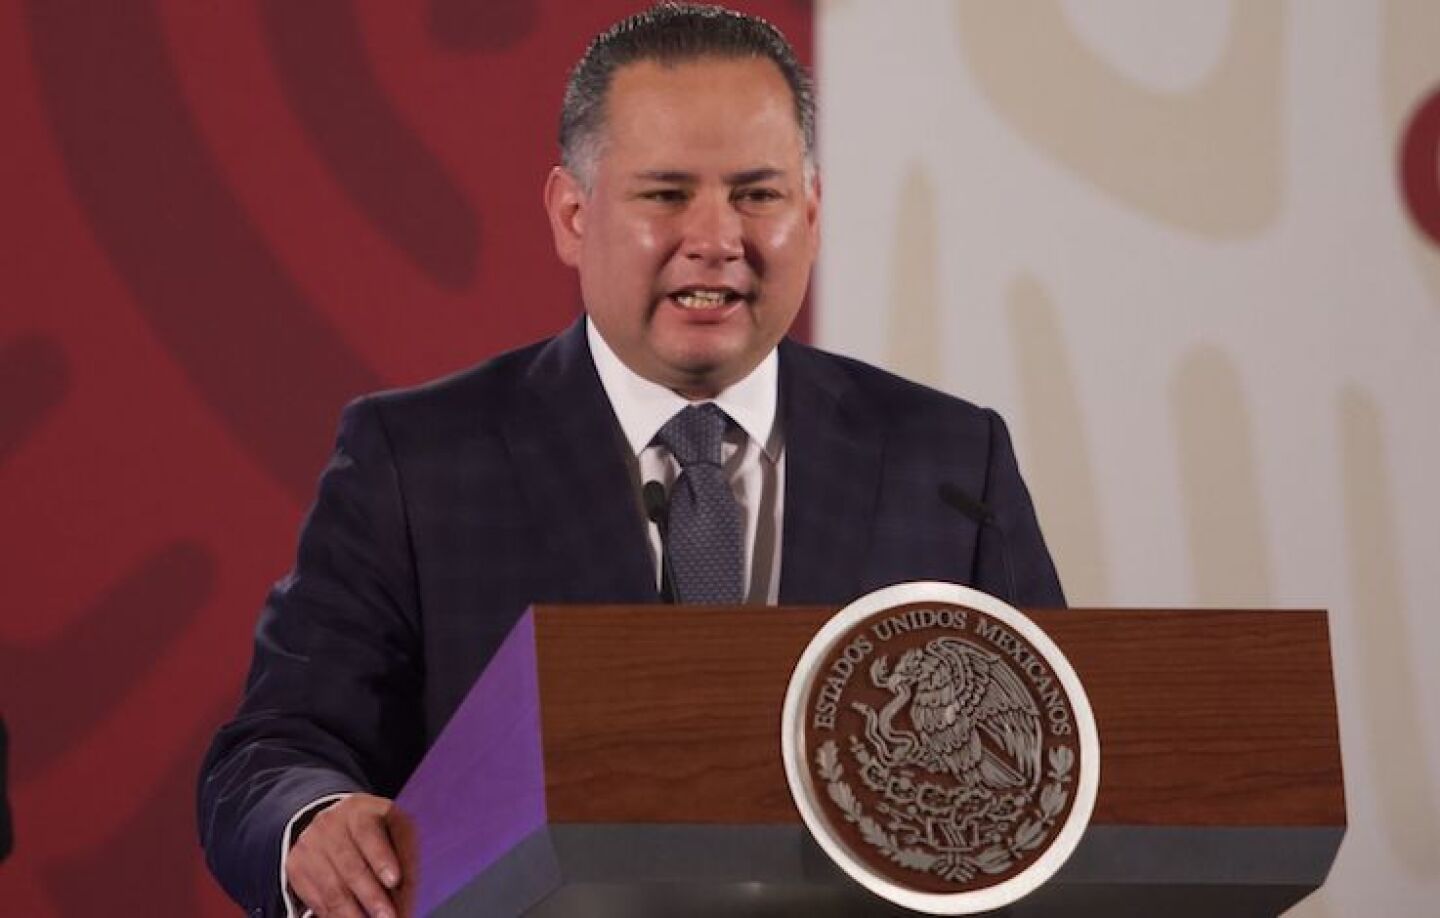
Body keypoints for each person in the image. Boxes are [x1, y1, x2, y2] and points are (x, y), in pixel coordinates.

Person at [197, 4, 1064, 915]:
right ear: (573, 215)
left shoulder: (951, 461)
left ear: (811, 214)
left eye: (758, 195)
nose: (717, 237)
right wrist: (316, 822)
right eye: (666, 193)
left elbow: (1060, 763)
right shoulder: (417, 463)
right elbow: (271, 755)